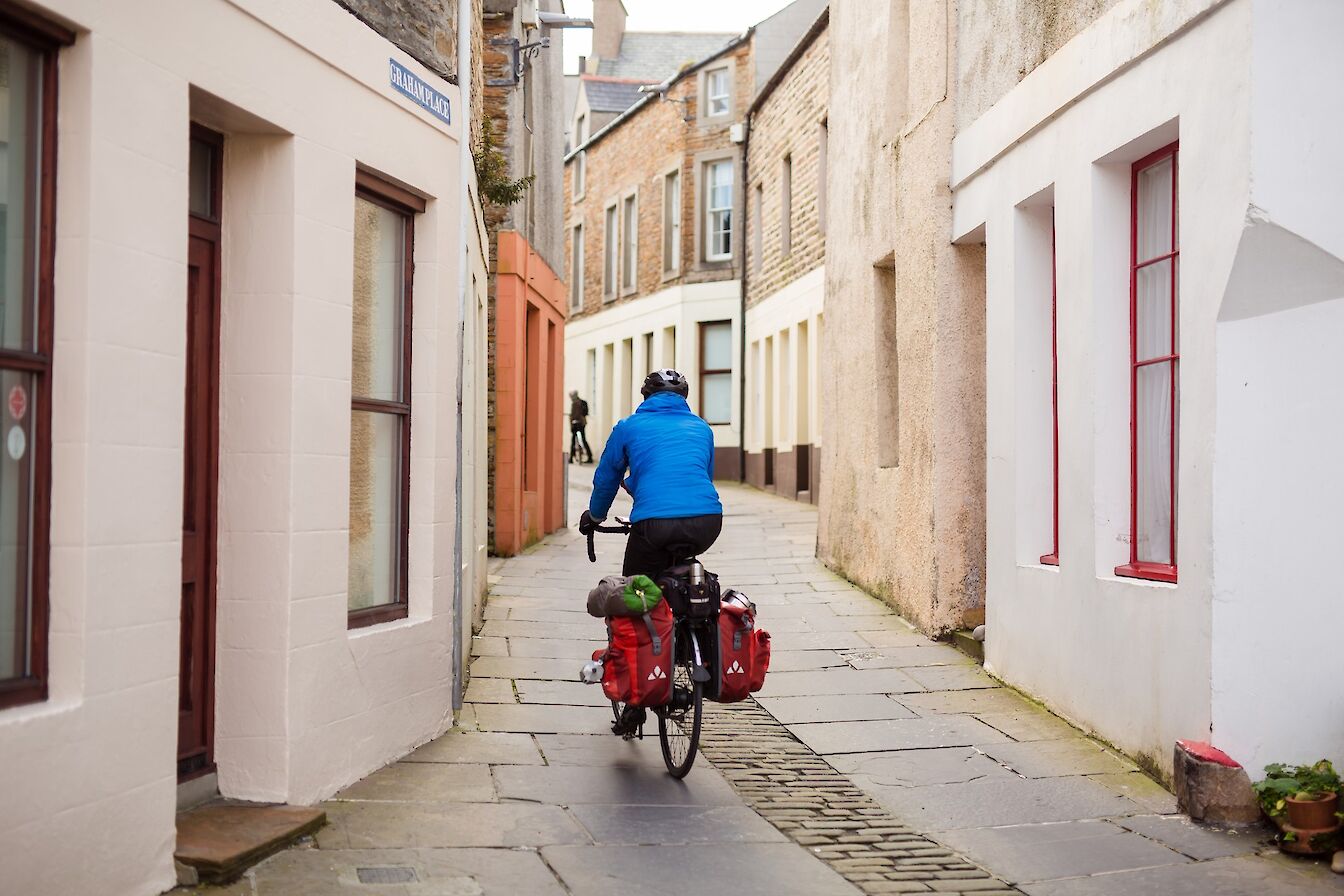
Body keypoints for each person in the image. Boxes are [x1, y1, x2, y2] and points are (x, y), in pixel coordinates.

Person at [579, 369, 723, 578]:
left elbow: (607, 478)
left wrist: (595, 516)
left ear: (645, 396)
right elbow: (705, 477)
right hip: (708, 521)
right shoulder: (702, 428)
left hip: (655, 523)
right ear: (684, 397)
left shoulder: (628, 427)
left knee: (634, 590)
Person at [569, 390, 593, 464]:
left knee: (573, 440)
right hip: (582, 423)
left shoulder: (575, 404)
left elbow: (572, 416)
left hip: (576, 424)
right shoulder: (583, 402)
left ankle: (571, 458)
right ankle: (589, 456)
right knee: (583, 439)